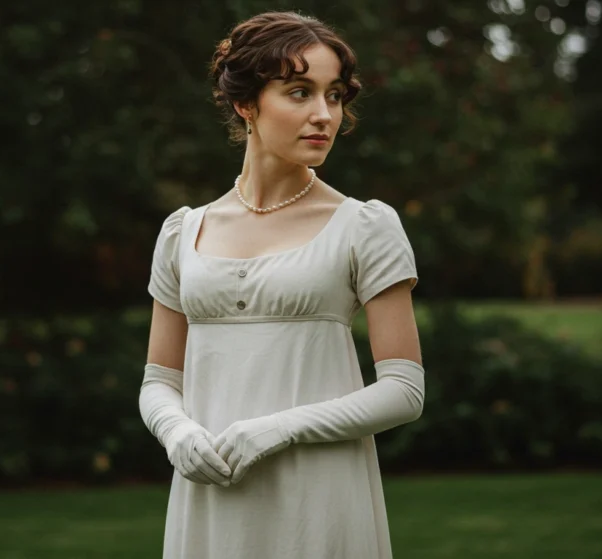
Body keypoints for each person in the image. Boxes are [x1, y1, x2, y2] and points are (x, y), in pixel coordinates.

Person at [138, 11, 425, 559]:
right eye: (300, 92)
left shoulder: (365, 225)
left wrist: (279, 429)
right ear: (246, 103)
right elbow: (158, 380)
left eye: (335, 95)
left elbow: (404, 390)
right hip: (210, 491)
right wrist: (177, 434)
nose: (324, 115)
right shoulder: (183, 231)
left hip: (320, 493)